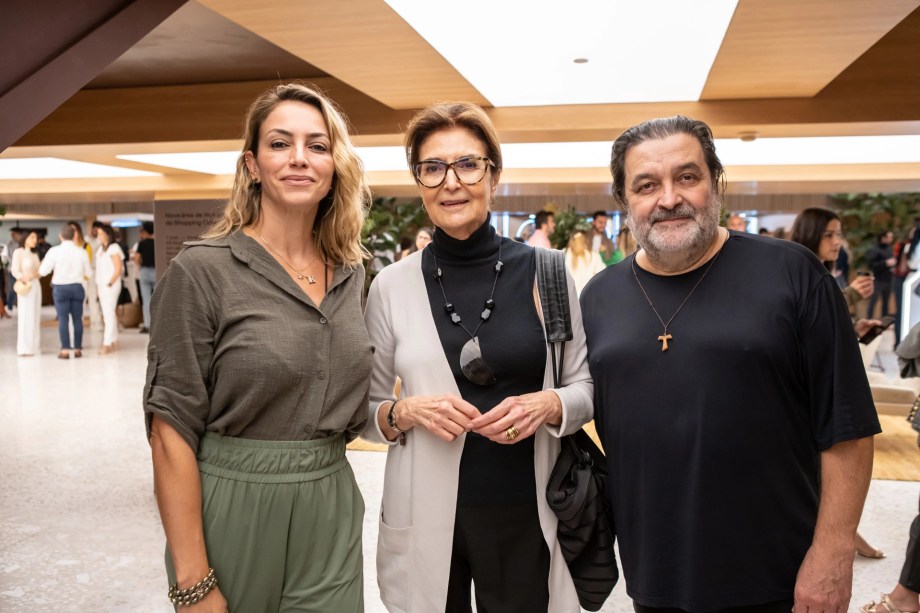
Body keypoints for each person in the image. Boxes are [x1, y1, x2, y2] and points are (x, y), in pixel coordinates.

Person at [581, 115, 880, 613]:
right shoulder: (599, 297)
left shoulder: (792, 273)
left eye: (687, 176)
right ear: (623, 200)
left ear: (716, 182)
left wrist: (833, 551)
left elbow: (847, 425)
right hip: (653, 572)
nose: (669, 198)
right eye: (647, 185)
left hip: (780, 574)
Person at [143, 82, 372, 612]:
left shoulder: (351, 274)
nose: (299, 158)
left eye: (317, 145)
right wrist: (193, 583)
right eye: (279, 143)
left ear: (334, 167)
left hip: (330, 500)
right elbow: (169, 430)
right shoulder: (201, 271)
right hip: (235, 499)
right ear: (252, 165)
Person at [363, 101, 593, 612]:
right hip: (424, 510)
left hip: (526, 509)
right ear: (419, 181)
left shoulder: (548, 272)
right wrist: (404, 411)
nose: (451, 182)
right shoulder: (391, 286)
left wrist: (548, 404)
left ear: (494, 176)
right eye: (432, 167)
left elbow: (585, 387)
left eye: (468, 164)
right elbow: (365, 410)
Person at [790, 207, 886, 560]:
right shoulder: (798, 273)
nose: (836, 241)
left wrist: (854, 330)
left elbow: (823, 334)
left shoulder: (824, 274)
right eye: (829, 234)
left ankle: (844, 530)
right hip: (800, 389)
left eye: (839, 234)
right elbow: (799, 326)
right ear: (812, 233)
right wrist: (852, 296)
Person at [38, 225, 92, 359]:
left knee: (63, 319)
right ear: (75, 236)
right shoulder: (81, 252)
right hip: (77, 287)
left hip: (60, 288)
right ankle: (78, 349)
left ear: (60, 236)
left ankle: (65, 350)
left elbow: (43, 271)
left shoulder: (54, 251)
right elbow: (89, 273)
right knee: (77, 319)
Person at [11, 231, 42, 355]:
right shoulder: (18, 252)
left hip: (36, 286)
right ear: (25, 238)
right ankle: (24, 348)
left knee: (35, 315)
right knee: (25, 316)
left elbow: (39, 272)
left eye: (36, 238)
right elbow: (14, 270)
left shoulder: (35, 254)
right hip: (25, 286)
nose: (35, 240)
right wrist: (23, 278)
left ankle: (34, 347)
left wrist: (34, 275)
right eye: (32, 237)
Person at [94, 225, 123, 354]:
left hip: (111, 285)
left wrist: (110, 283)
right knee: (107, 313)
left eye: (101, 234)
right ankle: (114, 340)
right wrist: (98, 286)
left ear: (108, 234)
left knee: (108, 313)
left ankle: (106, 343)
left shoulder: (114, 248)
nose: (99, 236)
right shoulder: (100, 250)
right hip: (101, 285)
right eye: (98, 234)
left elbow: (118, 268)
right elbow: (98, 270)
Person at [564, 230, 605, 295]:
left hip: (570, 297)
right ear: (586, 240)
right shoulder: (594, 255)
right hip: (589, 296)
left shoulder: (565, 256)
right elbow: (603, 275)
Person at [866, 231, 897, 318]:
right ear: (883, 238)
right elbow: (871, 265)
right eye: (888, 237)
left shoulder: (889, 248)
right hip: (878, 280)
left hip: (889, 279)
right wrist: (885, 263)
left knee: (886, 302)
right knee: (873, 301)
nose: (890, 239)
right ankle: (869, 320)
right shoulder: (875, 250)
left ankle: (884, 321)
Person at [134, 220, 156, 333]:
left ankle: (147, 325)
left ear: (145, 231)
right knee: (158, 299)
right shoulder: (157, 242)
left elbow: (137, 258)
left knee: (146, 300)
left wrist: (140, 265)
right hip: (157, 271)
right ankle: (157, 325)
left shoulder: (141, 243)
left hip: (145, 271)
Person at [6, 228, 23, 310]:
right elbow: (10, 258)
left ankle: (19, 306)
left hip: (22, 271)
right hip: (13, 270)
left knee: (22, 289)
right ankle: (10, 307)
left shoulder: (22, 244)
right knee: (12, 289)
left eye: (14, 234)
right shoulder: (10, 244)